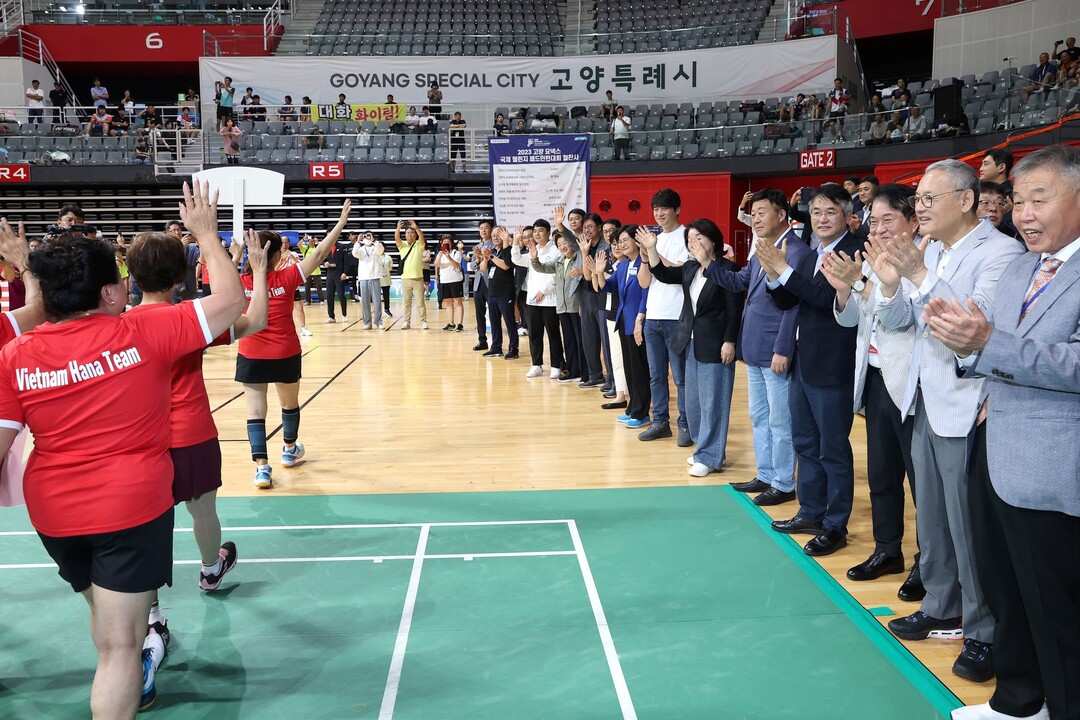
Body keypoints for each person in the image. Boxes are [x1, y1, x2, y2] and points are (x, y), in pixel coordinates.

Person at [0, 182, 246, 717]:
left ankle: (144, 637)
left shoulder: (14, 355)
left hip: (55, 514)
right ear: (111, 293)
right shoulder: (144, 331)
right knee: (119, 649)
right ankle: (137, 654)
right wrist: (206, 234)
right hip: (129, 506)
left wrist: (27, 271)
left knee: (108, 625)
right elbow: (233, 302)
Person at [924, 144, 1080, 720]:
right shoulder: (1020, 266)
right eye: (1018, 201)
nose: (1024, 214)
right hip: (992, 444)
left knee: (1054, 603)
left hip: (1054, 461)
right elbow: (989, 345)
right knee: (1004, 585)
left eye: (1040, 199)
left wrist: (988, 345)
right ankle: (1019, 701)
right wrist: (971, 347)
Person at [874, 159, 1022, 683]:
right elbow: (901, 322)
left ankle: (983, 630)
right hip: (924, 398)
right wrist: (889, 286)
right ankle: (941, 605)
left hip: (966, 404)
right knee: (933, 518)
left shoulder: (1000, 253)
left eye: (928, 199)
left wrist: (917, 275)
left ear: (965, 199)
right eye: (918, 200)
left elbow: (969, 325)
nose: (920, 208)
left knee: (968, 526)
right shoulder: (931, 249)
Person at [124, 225, 269, 617]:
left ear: (132, 276)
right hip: (191, 434)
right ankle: (210, 569)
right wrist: (258, 271)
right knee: (203, 511)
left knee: (145, 526)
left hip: (138, 442)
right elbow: (255, 319)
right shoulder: (191, 319)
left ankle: (150, 613)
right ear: (179, 276)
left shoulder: (117, 325)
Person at [819, 184, 924, 597]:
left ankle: (927, 562)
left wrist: (864, 284)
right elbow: (852, 321)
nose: (878, 228)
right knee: (881, 474)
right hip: (877, 379)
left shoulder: (921, 262)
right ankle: (887, 549)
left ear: (912, 222)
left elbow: (900, 319)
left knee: (921, 482)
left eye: (888, 220)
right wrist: (845, 289)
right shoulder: (874, 259)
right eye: (874, 220)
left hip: (911, 384)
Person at [755, 183, 865, 557]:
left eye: (830, 211)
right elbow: (789, 301)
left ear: (848, 216)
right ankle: (811, 512)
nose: (821, 218)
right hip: (804, 362)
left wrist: (784, 269)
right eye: (816, 212)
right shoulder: (814, 252)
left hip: (833, 366)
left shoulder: (852, 252)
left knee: (833, 449)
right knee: (804, 442)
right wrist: (774, 275)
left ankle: (835, 525)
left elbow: (822, 300)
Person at [704, 189, 809, 505]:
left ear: (782, 214)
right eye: (753, 213)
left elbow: (795, 305)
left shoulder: (797, 252)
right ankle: (765, 474)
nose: (756, 219)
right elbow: (739, 283)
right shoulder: (762, 249)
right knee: (759, 416)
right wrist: (708, 261)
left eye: (762, 212)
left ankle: (784, 482)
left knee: (780, 420)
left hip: (775, 349)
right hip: (754, 346)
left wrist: (783, 347)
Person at [238, 200, 351, 489]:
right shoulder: (287, 277)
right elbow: (321, 252)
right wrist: (340, 223)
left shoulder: (240, 282)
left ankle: (262, 468)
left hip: (251, 353)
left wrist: (235, 256)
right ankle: (289, 450)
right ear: (278, 255)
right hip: (284, 352)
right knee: (289, 404)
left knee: (255, 413)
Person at [641, 219, 743, 477]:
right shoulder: (690, 268)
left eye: (698, 238)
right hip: (691, 343)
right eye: (689, 239)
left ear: (713, 240)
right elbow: (663, 274)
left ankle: (711, 457)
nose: (693, 243)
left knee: (713, 404)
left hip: (716, 345)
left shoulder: (728, 269)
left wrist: (730, 341)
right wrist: (651, 249)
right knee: (694, 403)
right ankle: (702, 449)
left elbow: (734, 310)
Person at [638, 189, 690, 444]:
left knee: (681, 378)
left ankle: (686, 424)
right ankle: (660, 422)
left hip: (676, 316)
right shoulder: (654, 239)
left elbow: (682, 271)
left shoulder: (687, 236)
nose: (659, 213)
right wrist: (645, 258)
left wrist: (654, 252)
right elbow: (644, 282)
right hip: (653, 316)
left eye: (664, 208)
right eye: (656, 209)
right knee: (656, 375)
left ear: (677, 210)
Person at [590, 224, 651, 425]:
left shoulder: (644, 262)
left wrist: (639, 320)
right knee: (630, 368)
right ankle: (632, 408)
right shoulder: (624, 265)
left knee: (640, 369)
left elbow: (645, 294)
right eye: (619, 242)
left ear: (637, 241)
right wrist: (599, 273)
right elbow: (607, 287)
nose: (621, 245)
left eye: (625, 240)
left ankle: (642, 413)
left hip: (638, 323)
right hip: (623, 321)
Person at [513, 220, 563, 378]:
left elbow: (557, 274)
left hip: (550, 300)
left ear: (548, 232)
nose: (537, 234)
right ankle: (536, 365)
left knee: (553, 334)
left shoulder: (555, 250)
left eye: (540, 230)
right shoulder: (533, 250)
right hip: (533, 300)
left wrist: (544, 291)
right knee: (534, 334)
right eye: (535, 231)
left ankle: (556, 365)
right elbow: (517, 260)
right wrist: (515, 242)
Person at [479, 227, 519, 359]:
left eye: (498, 235)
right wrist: (486, 259)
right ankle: (496, 347)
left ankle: (513, 348)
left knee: (509, 321)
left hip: (505, 292)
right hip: (492, 292)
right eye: (493, 235)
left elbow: (506, 265)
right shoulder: (493, 251)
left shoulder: (508, 251)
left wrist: (491, 256)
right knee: (494, 321)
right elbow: (482, 268)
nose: (495, 238)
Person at [395, 219, 428, 330]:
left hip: (418, 278)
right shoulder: (402, 245)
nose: (410, 234)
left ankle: (423, 321)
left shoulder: (419, 245)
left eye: (412, 232)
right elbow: (397, 238)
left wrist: (416, 227)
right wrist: (398, 228)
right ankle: (406, 322)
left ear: (415, 234)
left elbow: (422, 238)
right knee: (406, 302)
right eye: (408, 233)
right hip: (405, 278)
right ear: (405, 235)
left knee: (420, 302)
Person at [470, 218, 495, 349]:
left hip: (491, 283)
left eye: (486, 228)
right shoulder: (477, 247)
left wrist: (481, 257)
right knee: (479, 315)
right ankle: (482, 340)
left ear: (491, 230)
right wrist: (478, 258)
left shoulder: (495, 245)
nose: (483, 230)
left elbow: (492, 263)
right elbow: (472, 266)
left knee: (494, 314)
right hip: (478, 284)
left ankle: (496, 342)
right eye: (481, 228)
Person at [352, 231, 384, 330]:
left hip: (374, 276)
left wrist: (374, 241)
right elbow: (354, 253)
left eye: (369, 236)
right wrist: (358, 242)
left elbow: (381, 251)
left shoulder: (376, 247)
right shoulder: (360, 249)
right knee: (365, 302)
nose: (367, 238)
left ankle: (378, 322)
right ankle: (367, 322)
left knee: (377, 301)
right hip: (363, 277)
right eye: (366, 236)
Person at [322, 229, 350, 324]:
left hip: (339, 273)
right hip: (330, 273)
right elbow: (322, 259)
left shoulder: (342, 247)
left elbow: (346, 261)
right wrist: (324, 263)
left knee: (341, 294)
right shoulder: (326, 248)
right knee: (329, 295)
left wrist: (345, 273)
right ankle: (331, 316)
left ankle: (344, 314)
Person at [377, 242, 393, 317]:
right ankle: (378, 311)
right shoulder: (375, 257)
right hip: (377, 279)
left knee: (386, 296)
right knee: (376, 297)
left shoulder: (388, 257)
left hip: (386, 279)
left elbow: (391, 268)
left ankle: (387, 309)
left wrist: (385, 269)